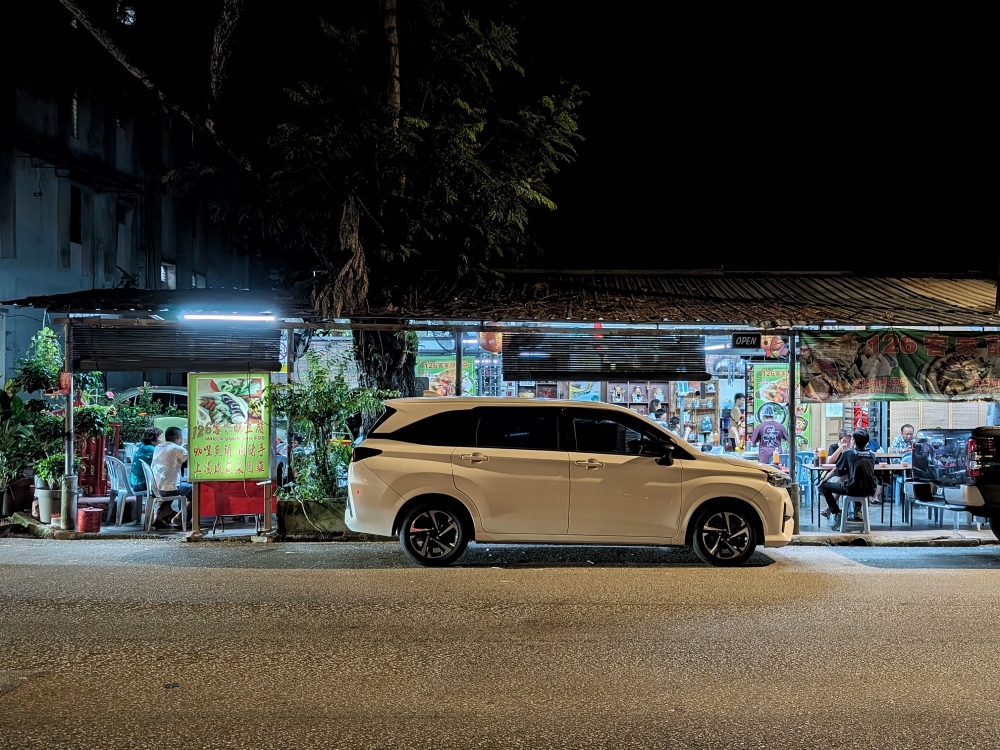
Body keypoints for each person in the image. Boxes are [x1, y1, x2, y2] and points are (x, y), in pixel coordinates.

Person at [819, 430, 878, 522]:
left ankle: (837, 512)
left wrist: (822, 481)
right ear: (867, 443)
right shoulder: (872, 455)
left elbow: (834, 470)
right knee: (857, 482)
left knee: (825, 486)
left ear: (853, 441)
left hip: (851, 488)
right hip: (869, 490)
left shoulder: (848, 454)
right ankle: (857, 511)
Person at [151, 426, 191, 529]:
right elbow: (192, 462)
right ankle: (180, 518)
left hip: (155, 489)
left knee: (171, 484)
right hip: (168, 489)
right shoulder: (177, 448)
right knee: (196, 491)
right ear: (179, 438)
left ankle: (159, 516)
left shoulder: (158, 447)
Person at [129, 427, 162, 492]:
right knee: (170, 486)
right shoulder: (151, 449)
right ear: (153, 441)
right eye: (160, 438)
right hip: (141, 484)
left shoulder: (143, 446)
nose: (162, 440)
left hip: (135, 483)